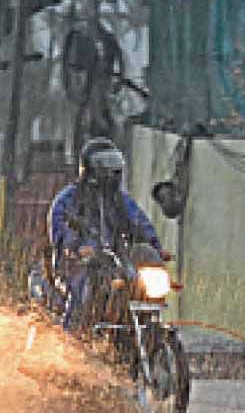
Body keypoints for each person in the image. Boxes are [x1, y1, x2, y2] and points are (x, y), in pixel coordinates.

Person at [48, 137, 164, 331]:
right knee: (82, 292)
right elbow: (59, 226)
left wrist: (155, 247)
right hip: (77, 265)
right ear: (90, 168)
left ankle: (140, 333)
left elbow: (140, 222)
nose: (111, 171)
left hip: (116, 263)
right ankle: (71, 340)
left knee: (141, 288)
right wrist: (75, 247)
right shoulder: (69, 198)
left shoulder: (120, 200)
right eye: (105, 164)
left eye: (114, 164)